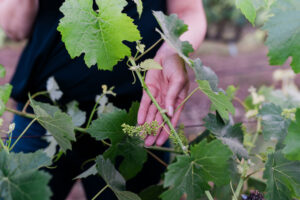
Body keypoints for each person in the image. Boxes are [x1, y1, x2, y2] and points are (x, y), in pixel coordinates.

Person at [0, 0, 207, 199]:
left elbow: (189, 11)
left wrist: (174, 51)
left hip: (136, 118)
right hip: (42, 114)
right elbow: (15, 28)